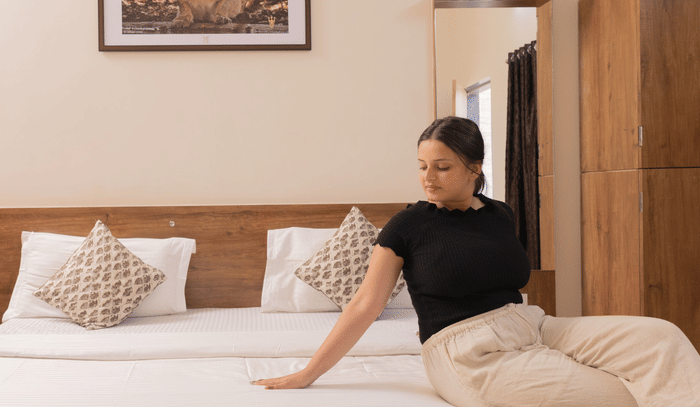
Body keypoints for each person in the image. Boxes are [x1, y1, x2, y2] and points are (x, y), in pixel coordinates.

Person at [252, 116, 700, 406]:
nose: (429, 177)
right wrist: (309, 373)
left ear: (474, 168)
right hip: (465, 352)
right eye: (422, 166)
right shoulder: (406, 226)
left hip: (533, 325)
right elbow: (365, 306)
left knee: (661, 339)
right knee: (613, 395)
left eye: (442, 167)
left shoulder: (500, 212)